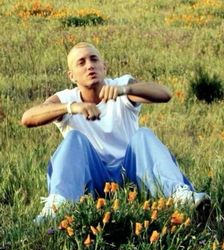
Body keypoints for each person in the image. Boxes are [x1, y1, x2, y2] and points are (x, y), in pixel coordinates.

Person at [21, 42, 210, 222]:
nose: (89, 66)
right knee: (73, 138)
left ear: (104, 67)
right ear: (72, 76)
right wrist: (72, 107)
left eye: (94, 59)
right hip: (93, 181)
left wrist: (125, 89)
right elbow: (28, 118)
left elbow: (165, 94)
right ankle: (57, 206)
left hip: (131, 176)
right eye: (82, 62)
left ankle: (180, 195)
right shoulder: (66, 98)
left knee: (143, 135)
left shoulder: (121, 86)